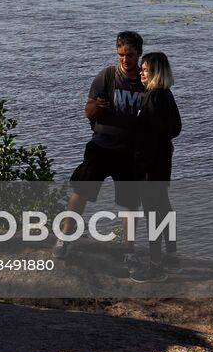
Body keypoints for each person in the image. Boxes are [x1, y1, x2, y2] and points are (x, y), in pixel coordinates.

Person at [53, 30, 146, 261]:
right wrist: (98, 108)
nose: (125, 60)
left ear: (139, 54)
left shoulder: (146, 81)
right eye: (121, 55)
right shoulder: (106, 76)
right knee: (80, 191)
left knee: (129, 203)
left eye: (131, 55)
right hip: (101, 146)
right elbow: (88, 111)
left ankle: (128, 251)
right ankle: (64, 239)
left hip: (129, 151)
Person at [136, 51, 182, 277]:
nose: (141, 73)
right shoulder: (166, 94)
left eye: (145, 69)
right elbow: (176, 128)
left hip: (150, 163)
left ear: (156, 72)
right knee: (163, 206)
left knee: (152, 212)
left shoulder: (153, 97)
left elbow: (147, 133)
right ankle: (172, 255)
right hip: (162, 161)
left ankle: (155, 265)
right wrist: (164, 142)